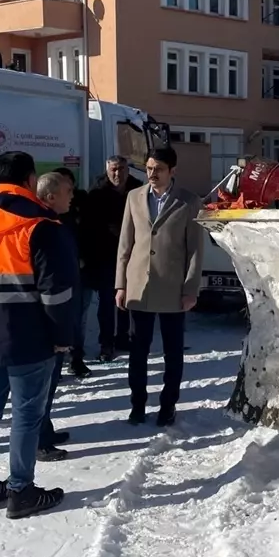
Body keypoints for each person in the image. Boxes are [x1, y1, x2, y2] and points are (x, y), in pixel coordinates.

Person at [0, 151, 76, 518]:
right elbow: (56, 293)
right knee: (26, 415)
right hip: (29, 337)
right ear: (30, 180)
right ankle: (21, 490)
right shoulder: (41, 224)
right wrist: (62, 336)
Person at [116, 147, 204, 427]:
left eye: (159, 169)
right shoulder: (134, 197)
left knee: (172, 352)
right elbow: (125, 244)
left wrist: (190, 289)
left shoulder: (188, 201)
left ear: (172, 171)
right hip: (139, 286)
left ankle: (168, 406)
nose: (152, 174)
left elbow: (195, 250)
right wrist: (120, 285)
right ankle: (137, 405)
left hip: (172, 288)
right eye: (149, 168)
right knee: (137, 351)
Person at [34, 171, 76, 462]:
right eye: (67, 191)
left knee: (50, 383)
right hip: (46, 321)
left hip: (58, 314)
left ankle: (44, 430)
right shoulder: (43, 227)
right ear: (50, 196)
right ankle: (38, 441)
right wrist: (59, 331)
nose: (72, 196)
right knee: (41, 386)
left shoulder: (56, 222)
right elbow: (49, 283)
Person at [85, 155, 143, 361]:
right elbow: (89, 226)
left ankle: (123, 337)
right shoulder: (97, 192)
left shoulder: (137, 189)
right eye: (114, 169)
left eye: (122, 169)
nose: (118, 173)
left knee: (127, 299)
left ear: (128, 169)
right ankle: (106, 343)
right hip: (105, 255)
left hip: (132, 253)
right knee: (107, 302)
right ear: (107, 170)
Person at [53, 166, 93, 379]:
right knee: (57, 319)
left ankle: (76, 358)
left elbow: (91, 233)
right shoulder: (47, 214)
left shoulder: (82, 204)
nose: (68, 189)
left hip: (81, 271)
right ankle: (56, 365)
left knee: (78, 318)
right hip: (57, 276)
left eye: (70, 185)